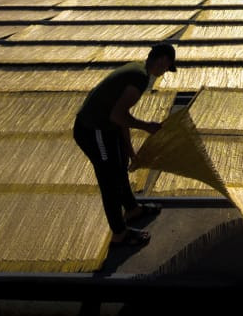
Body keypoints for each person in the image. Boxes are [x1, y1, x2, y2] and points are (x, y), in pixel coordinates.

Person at [72, 42, 177, 247]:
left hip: (107, 127)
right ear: (162, 60)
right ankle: (119, 233)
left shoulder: (138, 70)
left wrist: (129, 151)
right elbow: (117, 115)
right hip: (94, 130)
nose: (164, 72)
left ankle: (132, 209)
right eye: (167, 67)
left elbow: (120, 118)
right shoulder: (138, 78)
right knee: (109, 178)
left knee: (119, 167)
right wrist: (147, 126)